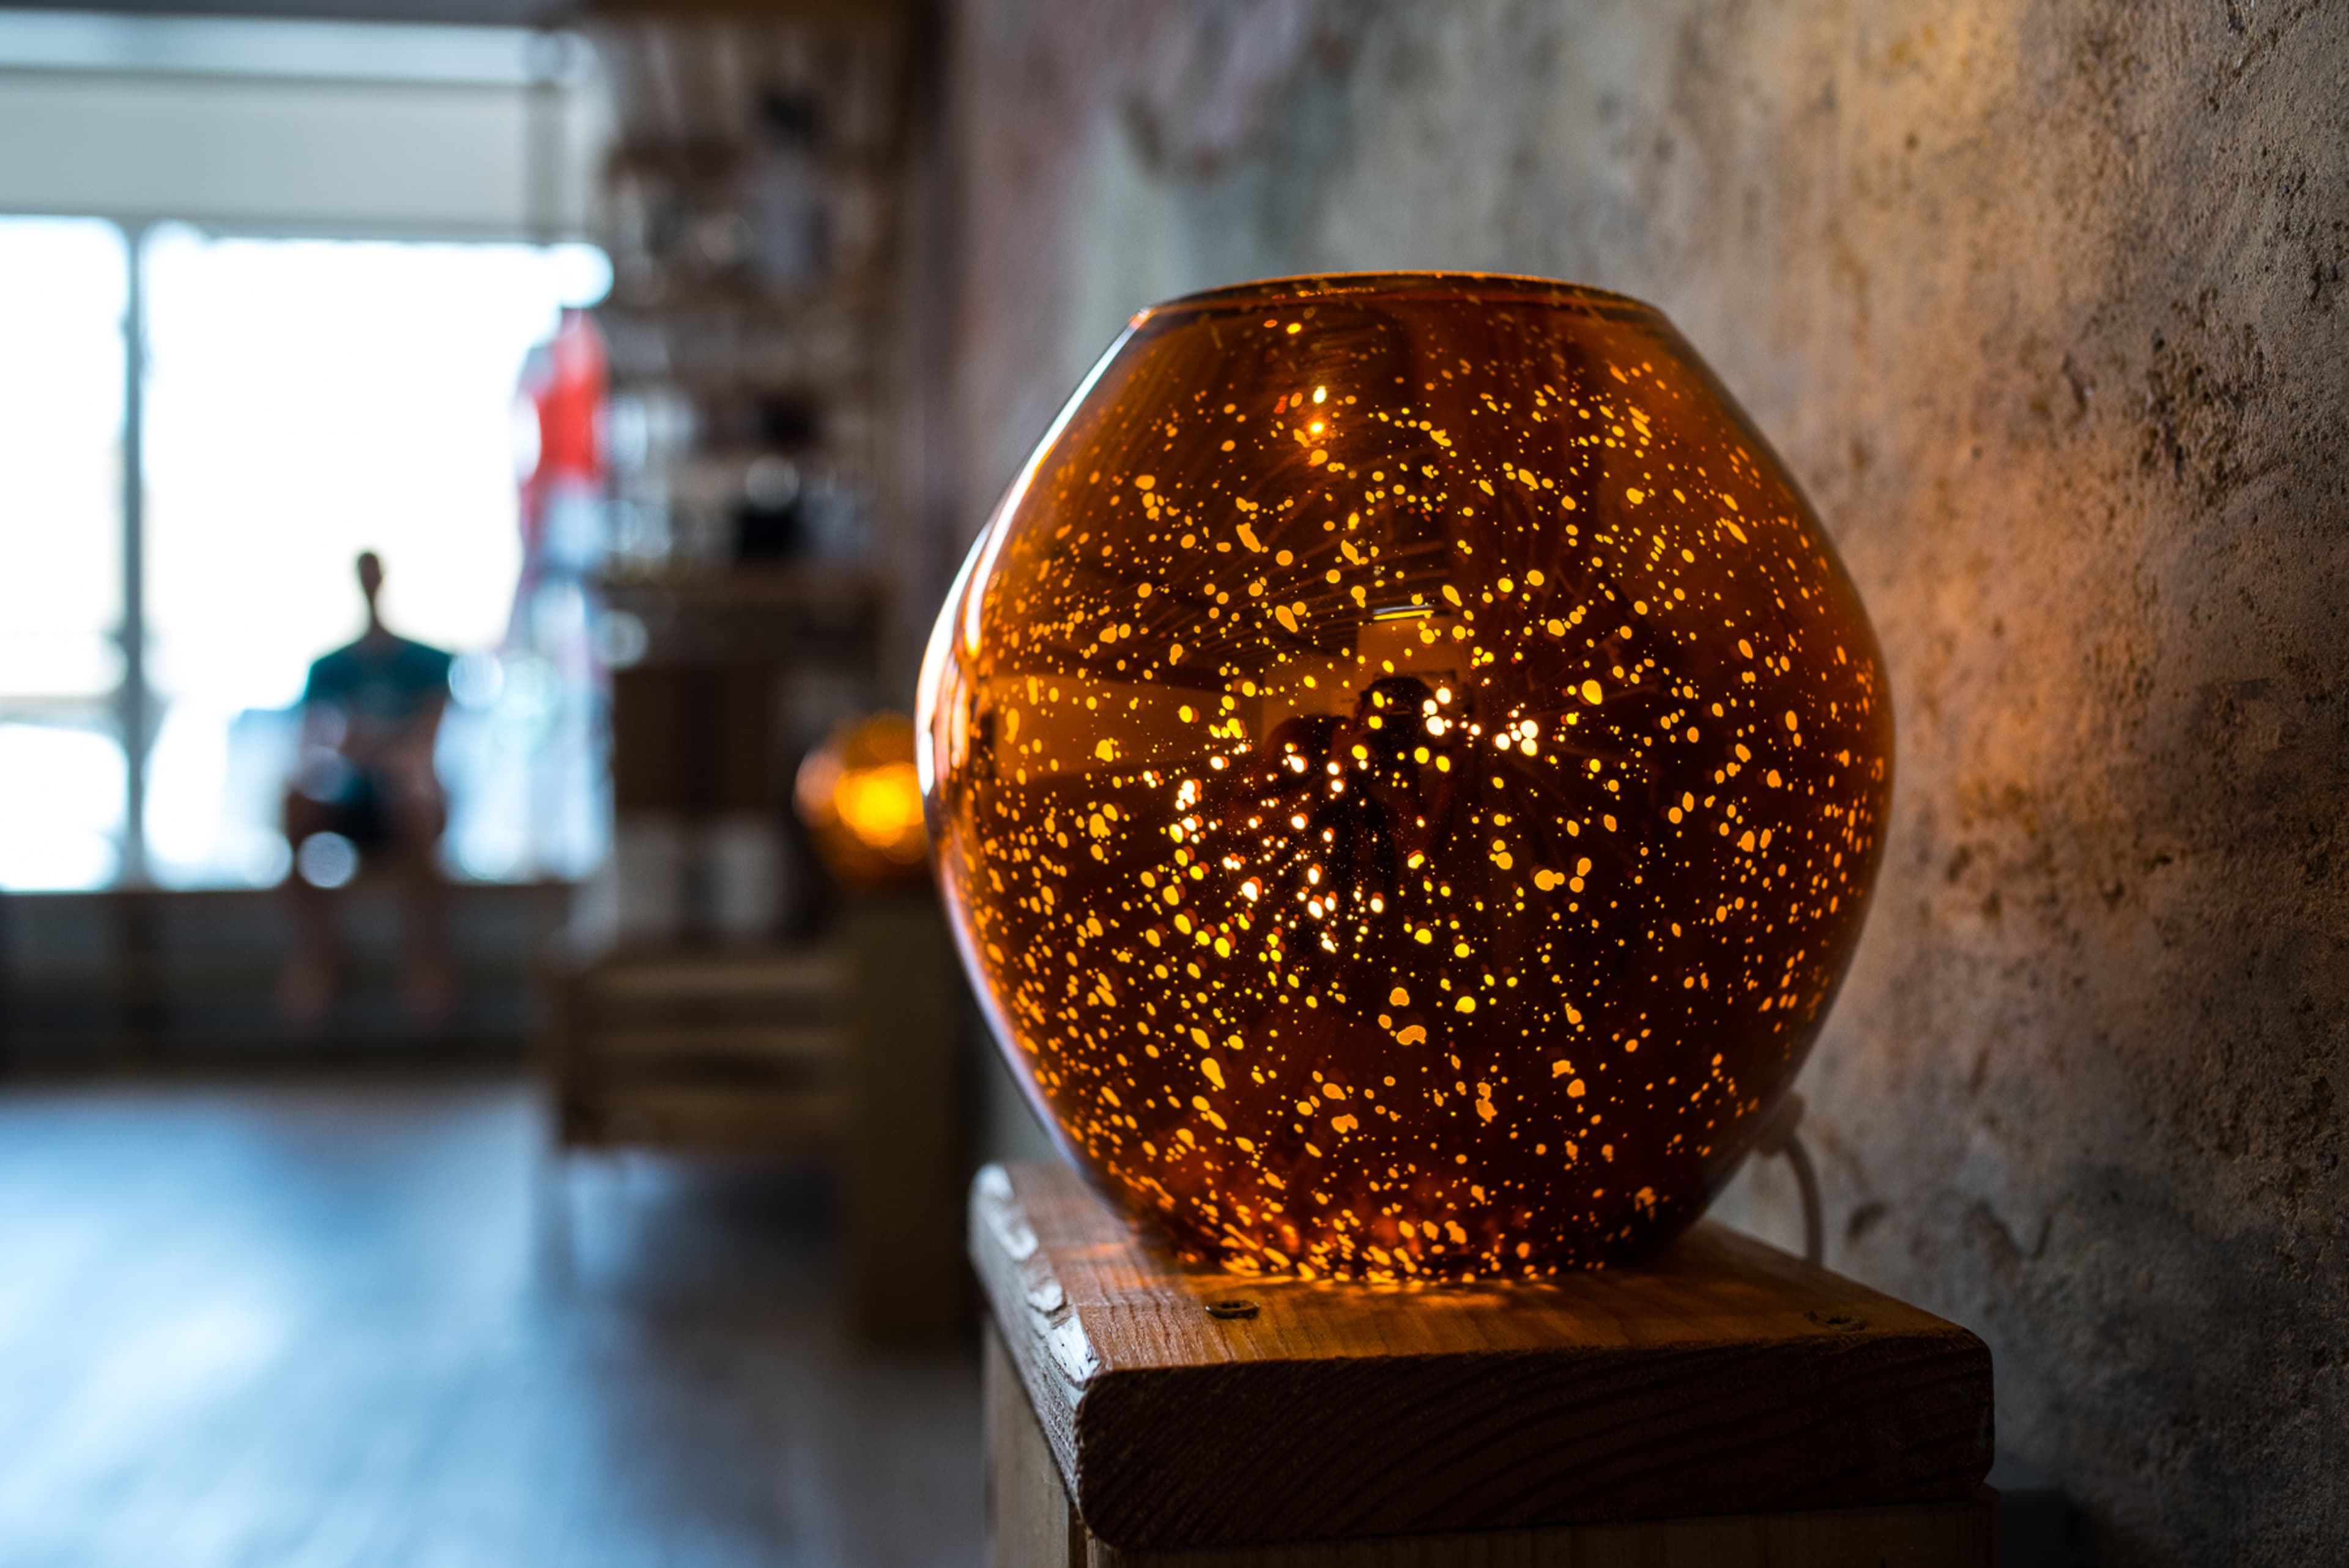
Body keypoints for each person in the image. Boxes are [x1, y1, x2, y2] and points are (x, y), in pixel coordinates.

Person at [280, 551, 455, 1027]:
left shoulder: (427, 661)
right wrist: (360, 748)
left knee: (415, 798)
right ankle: (318, 957)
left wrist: (379, 748)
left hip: (407, 804)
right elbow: (318, 742)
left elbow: (425, 742)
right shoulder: (330, 667)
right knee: (295, 801)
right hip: (353, 799)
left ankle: (425, 961)